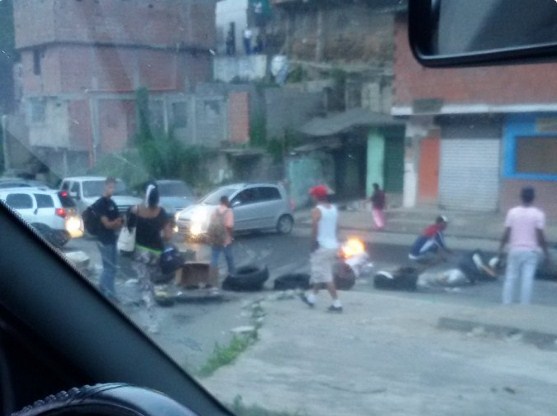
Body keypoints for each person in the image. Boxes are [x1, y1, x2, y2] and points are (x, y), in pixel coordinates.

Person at [499, 186, 549, 305]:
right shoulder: (538, 214)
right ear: (533, 198)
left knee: (510, 277)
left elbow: (507, 232)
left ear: (521, 197)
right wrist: (546, 253)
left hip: (514, 249)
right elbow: (540, 236)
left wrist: (501, 249)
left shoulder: (512, 212)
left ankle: (506, 302)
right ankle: (524, 304)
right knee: (527, 278)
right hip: (531, 251)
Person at [129, 183, 168, 333]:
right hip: (156, 254)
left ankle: (152, 321)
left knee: (145, 287)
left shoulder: (135, 210)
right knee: (150, 283)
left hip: (139, 253)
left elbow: (127, 229)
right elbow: (168, 235)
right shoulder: (161, 212)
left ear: (144, 195)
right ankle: (150, 313)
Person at [300, 185, 343, 313]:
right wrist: (332, 239)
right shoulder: (333, 209)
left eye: (313, 195)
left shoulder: (316, 210)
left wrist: (313, 244)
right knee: (321, 272)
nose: (311, 197)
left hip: (322, 246)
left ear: (316, 196)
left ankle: (337, 303)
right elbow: (337, 228)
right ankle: (312, 298)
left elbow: (314, 229)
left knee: (326, 276)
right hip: (333, 246)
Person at [93, 177, 123, 301]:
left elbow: (119, 223)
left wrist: (117, 222)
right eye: (110, 186)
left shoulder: (112, 203)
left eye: (114, 187)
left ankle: (102, 287)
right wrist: (116, 222)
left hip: (112, 239)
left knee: (112, 267)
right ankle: (110, 295)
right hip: (104, 240)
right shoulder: (101, 204)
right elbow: (107, 224)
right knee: (109, 268)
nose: (112, 189)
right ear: (105, 186)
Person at [208, 195, 235, 289]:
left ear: (220, 202)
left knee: (214, 258)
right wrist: (231, 237)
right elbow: (229, 226)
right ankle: (233, 276)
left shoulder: (214, 211)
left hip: (215, 238)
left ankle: (212, 280)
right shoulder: (229, 211)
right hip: (225, 239)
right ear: (226, 201)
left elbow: (211, 223)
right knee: (229, 258)